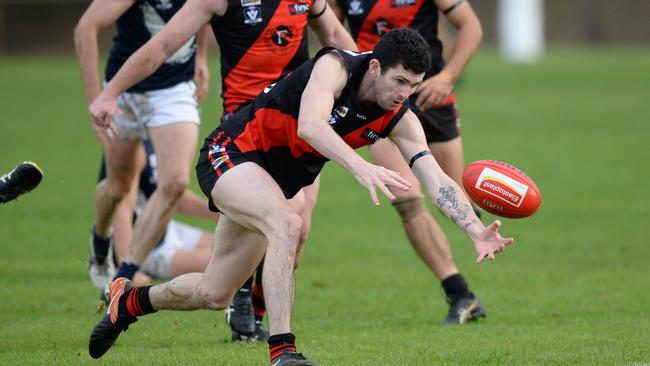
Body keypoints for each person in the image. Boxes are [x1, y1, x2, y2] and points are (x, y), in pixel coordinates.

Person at [87, 28, 513, 365]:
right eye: (399, 81)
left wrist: (475, 231)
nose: (404, 93)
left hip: (269, 181)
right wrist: (360, 165)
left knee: (214, 292)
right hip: (231, 154)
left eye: (414, 86)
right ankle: (282, 351)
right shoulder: (336, 66)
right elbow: (311, 125)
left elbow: (436, 179)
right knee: (287, 223)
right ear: (376, 67)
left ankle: (130, 303)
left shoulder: (398, 116)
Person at [328, 0, 485, 323]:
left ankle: (479, 230)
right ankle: (460, 294)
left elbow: (471, 26)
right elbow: (331, 30)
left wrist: (447, 77)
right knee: (408, 201)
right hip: (379, 103)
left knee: (457, 196)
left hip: (431, 96)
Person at [74, 0, 211, 296]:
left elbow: (204, 10)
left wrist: (199, 57)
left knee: (174, 182)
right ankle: (100, 240)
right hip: (125, 92)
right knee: (118, 187)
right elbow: (85, 27)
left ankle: (124, 275)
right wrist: (94, 98)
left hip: (173, 91)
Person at [88, 141, 216, 290]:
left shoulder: (158, 135)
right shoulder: (134, 145)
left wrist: (216, 212)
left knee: (227, 247)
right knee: (225, 261)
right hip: (144, 243)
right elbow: (122, 210)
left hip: (165, 228)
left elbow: (174, 195)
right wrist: (128, 269)